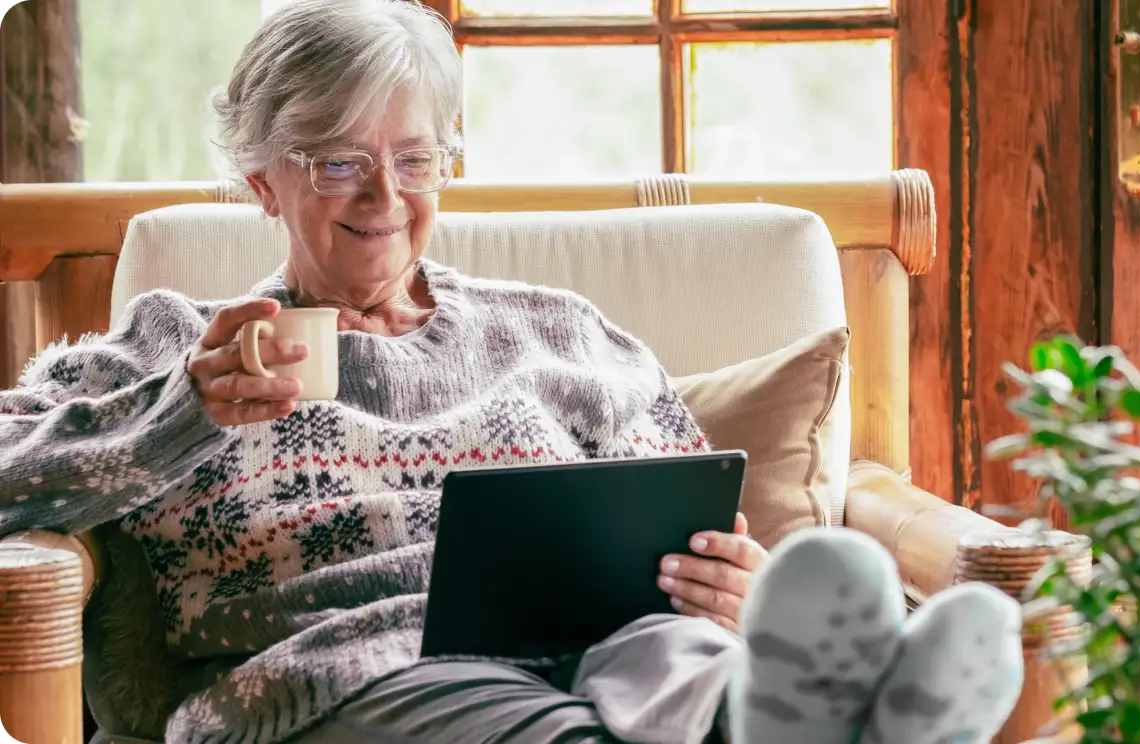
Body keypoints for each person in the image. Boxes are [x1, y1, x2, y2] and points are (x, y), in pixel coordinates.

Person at [0, 1, 1026, 742]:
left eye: (413, 157)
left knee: (675, 657)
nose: (385, 195)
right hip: (350, 681)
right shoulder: (181, 344)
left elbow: (684, 511)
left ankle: (779, 714)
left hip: (613, 647)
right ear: (263, 177)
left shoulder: (560, 334)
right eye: (338, 160)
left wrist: (730, 583)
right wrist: (183, 410)